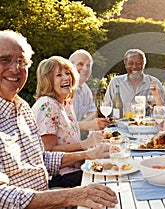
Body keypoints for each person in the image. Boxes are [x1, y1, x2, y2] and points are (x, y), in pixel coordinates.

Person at [0, 30, 117, 208]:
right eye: (5, 60)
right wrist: (69, 196)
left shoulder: (22, 109)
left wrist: (89, 154)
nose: (15, 68)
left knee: (116, 190)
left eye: (21, 61)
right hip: (48, 197)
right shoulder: (46, 104)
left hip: (48, 197)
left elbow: (41, 159)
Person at [31, 56, 108, 188]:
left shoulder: (64, 103)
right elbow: (47, 152)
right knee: (107, 179)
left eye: (67, 73)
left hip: (74, 168)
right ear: (48, 81)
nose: (66, 78)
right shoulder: (48, 105)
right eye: (59, 75)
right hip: (58, 176)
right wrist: (85, 144)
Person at [104, 48, 165, 116]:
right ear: (125, 64)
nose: (134, 66)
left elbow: (164, 112)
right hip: (120, 125)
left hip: (146, 126)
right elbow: (107, 106)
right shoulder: (116, 82)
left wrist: (157, 98)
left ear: (144, 64)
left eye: (138, 63)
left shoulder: (154, 83)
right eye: (130, 63)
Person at [69, 49, 109, 140]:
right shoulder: (64, 89)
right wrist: (85, 125)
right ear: (70, 66)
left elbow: (93, 112)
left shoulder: (85, 89)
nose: (85, 69)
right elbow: (60, 125)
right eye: (80, 64)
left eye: (88, 65)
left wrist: (84, 124)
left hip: (77, 140)